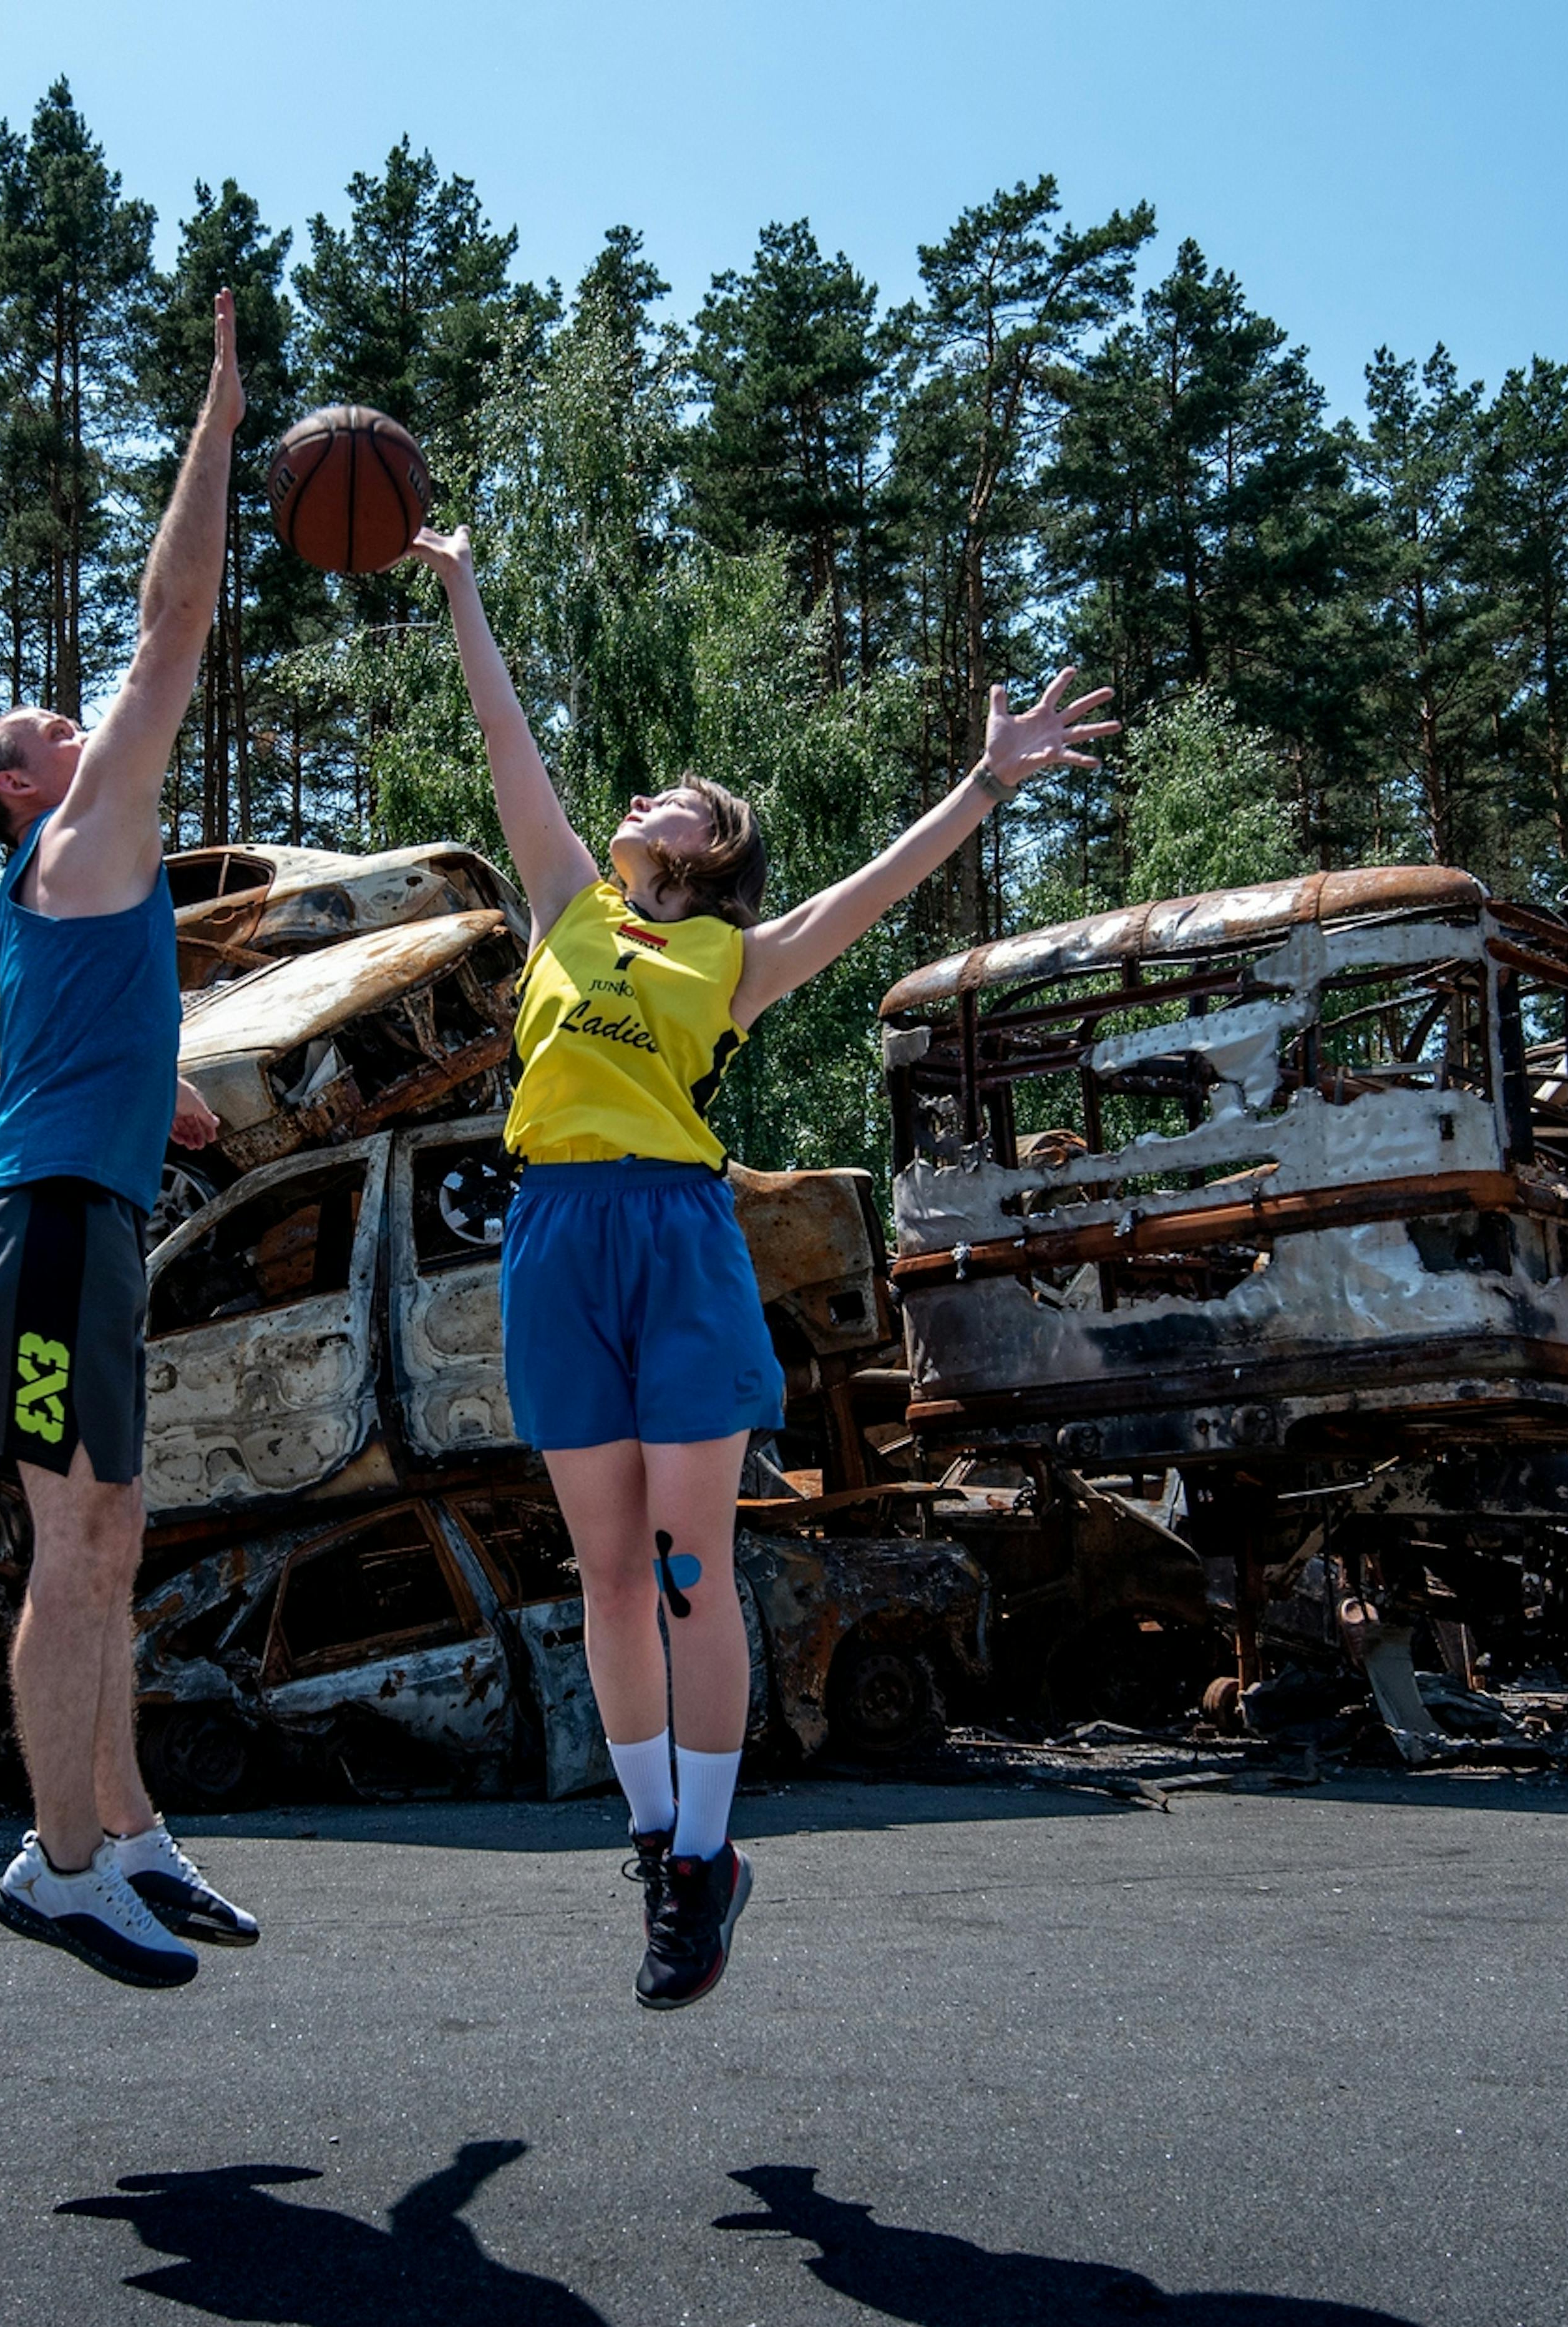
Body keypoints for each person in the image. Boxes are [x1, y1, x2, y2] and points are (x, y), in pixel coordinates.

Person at [407, 521, 1114, 2009]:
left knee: (684, 1563)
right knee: (604, 1572)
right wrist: (466, 586)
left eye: (673, 796)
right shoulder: (562, 908)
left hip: (674, 1231)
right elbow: (507, 743)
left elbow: (881, 883)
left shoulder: (732, 958)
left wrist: (988, 781)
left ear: (709, 846)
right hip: (552, 1234)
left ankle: (704, 1857)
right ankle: (668, 1847)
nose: (636, 796)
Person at [0, 291, 258, 1991]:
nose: (84, 721)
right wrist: (215, 421)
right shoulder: (73, 841)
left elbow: (102, 1059)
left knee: (113, 1533)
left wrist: (184, 1109)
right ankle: (56, 1864)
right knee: (74, 1544)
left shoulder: (74, 893)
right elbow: (177, 615)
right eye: (46, 728)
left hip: (87, 1207)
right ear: (17, 786)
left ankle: (125, 1830)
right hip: (51, 1225)